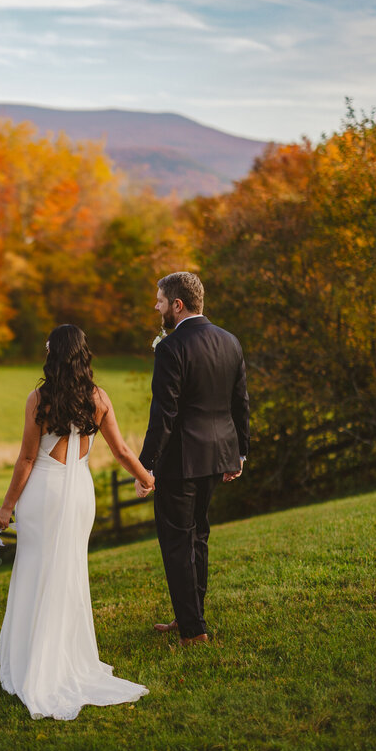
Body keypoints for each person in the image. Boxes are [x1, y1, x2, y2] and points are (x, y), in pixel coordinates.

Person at [0, 324, 154, 720]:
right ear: (82, 355)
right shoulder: (98, 398)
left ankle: (35, 660)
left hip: (43, 493)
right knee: (68, 572)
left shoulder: (39, 399)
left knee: (36, 571)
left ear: (53, 354)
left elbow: (27, 459)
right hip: (79, 493)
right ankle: (65, 657)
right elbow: (122, 450)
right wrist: (146, 477)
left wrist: (6, 508)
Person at [137, 272, 249, 646]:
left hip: (181, 462)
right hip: (217, 457)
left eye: (160, 300)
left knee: (176, 542)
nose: (157, 306)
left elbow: (164, 415)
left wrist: (145, 465)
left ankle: (192, 630)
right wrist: (240, 452)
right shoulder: (230, 341)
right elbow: (240, 404)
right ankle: (191, 616)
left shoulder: (170, 348)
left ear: (177, 305)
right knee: (197, 537)